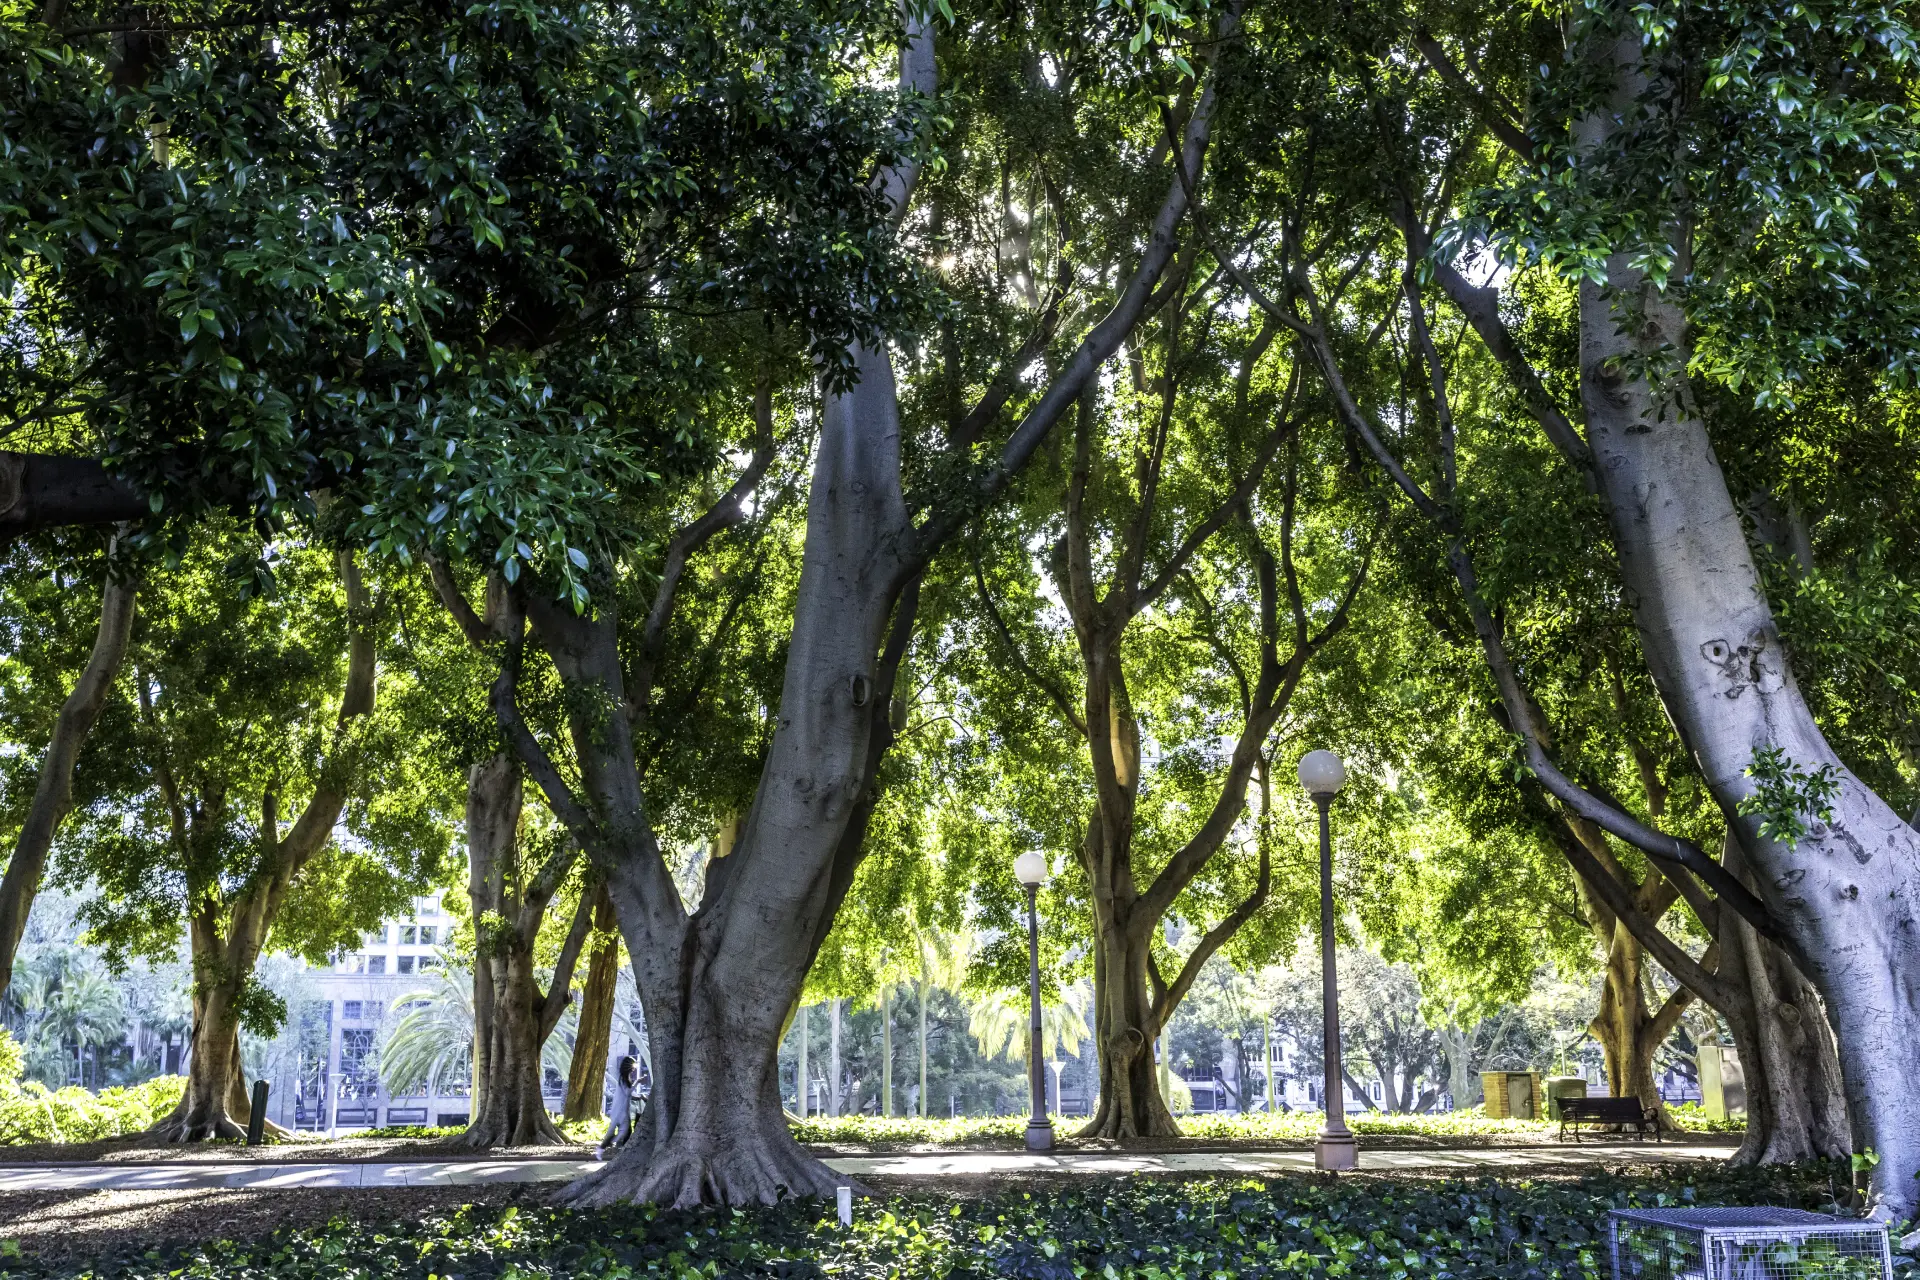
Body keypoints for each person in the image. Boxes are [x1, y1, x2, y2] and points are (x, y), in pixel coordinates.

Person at [596, 1056, 638, 1160]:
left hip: (623, 1111)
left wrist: (639, 1096)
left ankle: (606, 1147)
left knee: (624, 1132)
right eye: (633, 1065)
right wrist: (638, 1082)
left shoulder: (625, 1078)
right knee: (620, 1132)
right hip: (620, 1112)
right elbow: (628, 1093)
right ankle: (602, 1148)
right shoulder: (623, 1079)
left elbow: (628, 1093)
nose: (634, 1068)